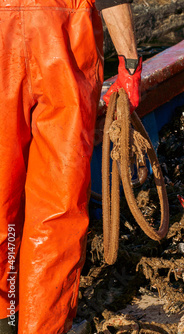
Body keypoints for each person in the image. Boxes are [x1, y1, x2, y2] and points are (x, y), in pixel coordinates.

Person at [0, 1, 141, 333]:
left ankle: (4, 318)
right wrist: (129, 63)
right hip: (63, 29)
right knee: (57, 201)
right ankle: (42, 325)